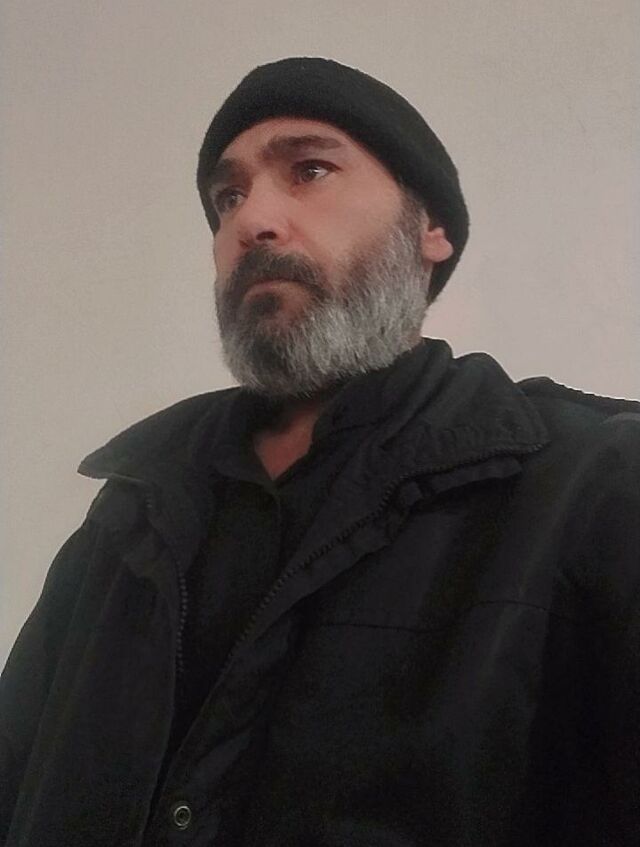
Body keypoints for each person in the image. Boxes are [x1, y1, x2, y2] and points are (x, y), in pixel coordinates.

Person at [0, 56, 638, 847]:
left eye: (309, 170)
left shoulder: (595, 485)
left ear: (431, 229)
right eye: (228, 197)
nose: (252, 221)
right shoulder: (131, 509)